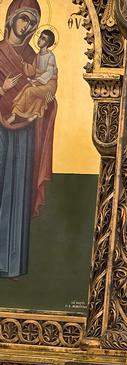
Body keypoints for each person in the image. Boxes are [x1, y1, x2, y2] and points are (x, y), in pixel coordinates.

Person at [0, 0, 57, 279]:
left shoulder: (34, 57)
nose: (25, 26)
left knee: (17, 193)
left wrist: (48, 98)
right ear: (11, 18)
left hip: (24, 136)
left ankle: (10, 264)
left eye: (31, 22)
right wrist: (3, 88)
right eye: (23, 19)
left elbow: (45, 87)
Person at [8, 28, 57, 123]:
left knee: (29, 90)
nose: (40, 40)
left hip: (49, 85)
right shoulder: (38, 55)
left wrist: (36, 80)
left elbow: (49, 73)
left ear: (47, 43)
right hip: (40, 83)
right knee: (26, 89)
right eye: (40, 37)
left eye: (43, 39)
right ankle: (19, 114)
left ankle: (19, 114)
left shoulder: (50, 56)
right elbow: (32, 70)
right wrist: (23, 64)